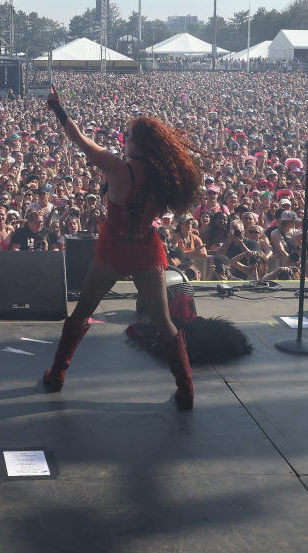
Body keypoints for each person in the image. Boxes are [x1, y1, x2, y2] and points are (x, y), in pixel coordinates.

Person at [40, 86, 201, 409]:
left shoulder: (116, 168)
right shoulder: (162, 177)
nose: (123, 138)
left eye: (126, 135)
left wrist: (57, 107)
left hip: (114, 249)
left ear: (133, 143)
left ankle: (57, 375)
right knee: (163, 321)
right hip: (145, 250)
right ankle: (186, 388)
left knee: (82, 311)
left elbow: (78, 138)